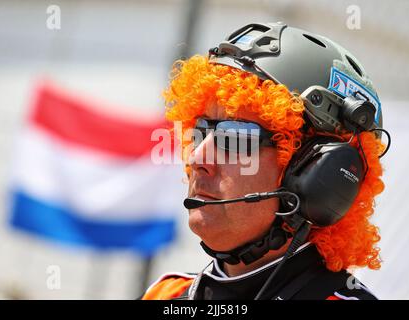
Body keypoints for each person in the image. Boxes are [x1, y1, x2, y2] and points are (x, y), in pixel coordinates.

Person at [142, 22, 388, 300]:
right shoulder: (165, 293)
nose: (198, 158)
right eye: (199, 133)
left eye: (235, 137)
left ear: (318, 173)